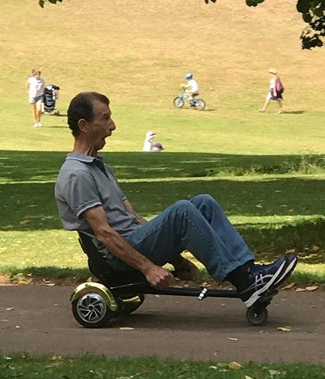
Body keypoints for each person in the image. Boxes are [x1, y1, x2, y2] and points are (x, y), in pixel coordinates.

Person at [55, 92, 297, 308]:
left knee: (203, 202)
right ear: (84, 125)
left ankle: (249, 272)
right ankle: (246, 282)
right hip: (116, 261)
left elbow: (134, 218)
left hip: (132, 243)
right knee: (182, 211)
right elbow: (104, 233)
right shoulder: (77, 174)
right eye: (105, 118)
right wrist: (148, 268)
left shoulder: (97, 166)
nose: (113, 125)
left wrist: (177, 260)